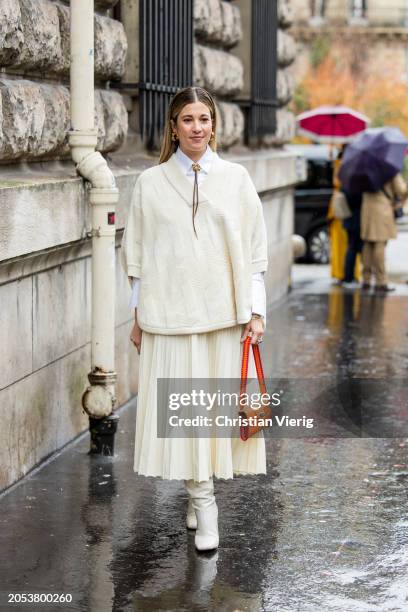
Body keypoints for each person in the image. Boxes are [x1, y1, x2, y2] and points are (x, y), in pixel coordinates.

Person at [120, 86, 268, 552]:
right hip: (170, 319)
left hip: (224, 318)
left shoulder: (237, 179)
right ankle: (203, 501)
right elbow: (137, 257)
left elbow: (255, 253)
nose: (197, 127)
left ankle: (197, 488)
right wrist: (138, 315)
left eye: (204, 118)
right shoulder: (150, 183)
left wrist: (256, 311)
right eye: (188, 119)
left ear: (214, 125)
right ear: (173, 126)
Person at [360, 172, 407, 292]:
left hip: (366, 209)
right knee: (379, 244)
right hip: (382, 209)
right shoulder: (389, 169)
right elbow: (401, 191)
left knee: (368, 244)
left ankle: (366, 279)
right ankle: (381, 281)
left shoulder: (364, 169)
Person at [341, 189, 363, 288]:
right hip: (356, 220)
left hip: (348, 220)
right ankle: (349, 277)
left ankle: (348, 276)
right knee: (354, 248)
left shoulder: (346, 183)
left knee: (351, 247)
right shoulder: (357, 187)